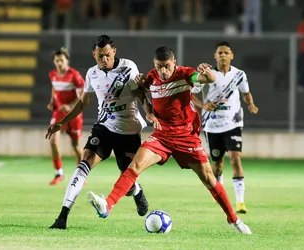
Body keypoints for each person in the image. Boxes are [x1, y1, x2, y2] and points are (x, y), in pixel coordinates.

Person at [87, 46, 252, 234]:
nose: (163, 71)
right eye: (159, 67)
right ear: (154, 65)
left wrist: (208, 74)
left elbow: (204, 79)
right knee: (134, 166)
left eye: (166, 66)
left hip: (186, 136)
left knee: (210, 180)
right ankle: (106, 205)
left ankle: (234, 220)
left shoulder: (185, 74)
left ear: (174, 62)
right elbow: (142, 91)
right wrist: (148, 110)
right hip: (162, 135)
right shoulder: (152, 77)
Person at [46, 35, 149, 229]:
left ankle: (136, 192)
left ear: (114, 52)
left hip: (128, 130)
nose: (104, 59)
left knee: (126, 181)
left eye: (107, 55)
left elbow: (140, 93)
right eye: (100, 56)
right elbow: (84, 102)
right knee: (84, 163)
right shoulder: (92, 73)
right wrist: (62, 122)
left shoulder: (128, 67)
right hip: (103, 128)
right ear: (94, 55)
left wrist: (150, 111)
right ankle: (62, 217)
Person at [191, 41, 259, 214]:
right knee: (217, 164)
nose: (222, 55)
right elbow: (189, 95)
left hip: (233, 123)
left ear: (231, 56)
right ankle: (219, 193)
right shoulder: (207, 74)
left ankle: (240, 202)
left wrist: (250, 104)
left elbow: (246, 93)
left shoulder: (239, 75)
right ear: (215, 56)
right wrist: (203, 105)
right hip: (212, 125)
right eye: (219, 53)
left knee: (236, 158)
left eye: (225, 52)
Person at [47, 47, 84, 186]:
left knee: (75, 146)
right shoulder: (52, 75)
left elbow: (82, 96)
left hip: (74, 114)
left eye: (61, 60)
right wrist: (52, 100)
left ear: (67, 60)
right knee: (53, 141)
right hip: (58, 113)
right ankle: (59, 173)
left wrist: (70, 106)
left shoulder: (74, 75)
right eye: (56, 61)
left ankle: (80, 176)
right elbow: (54, 88)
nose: (59, 63)